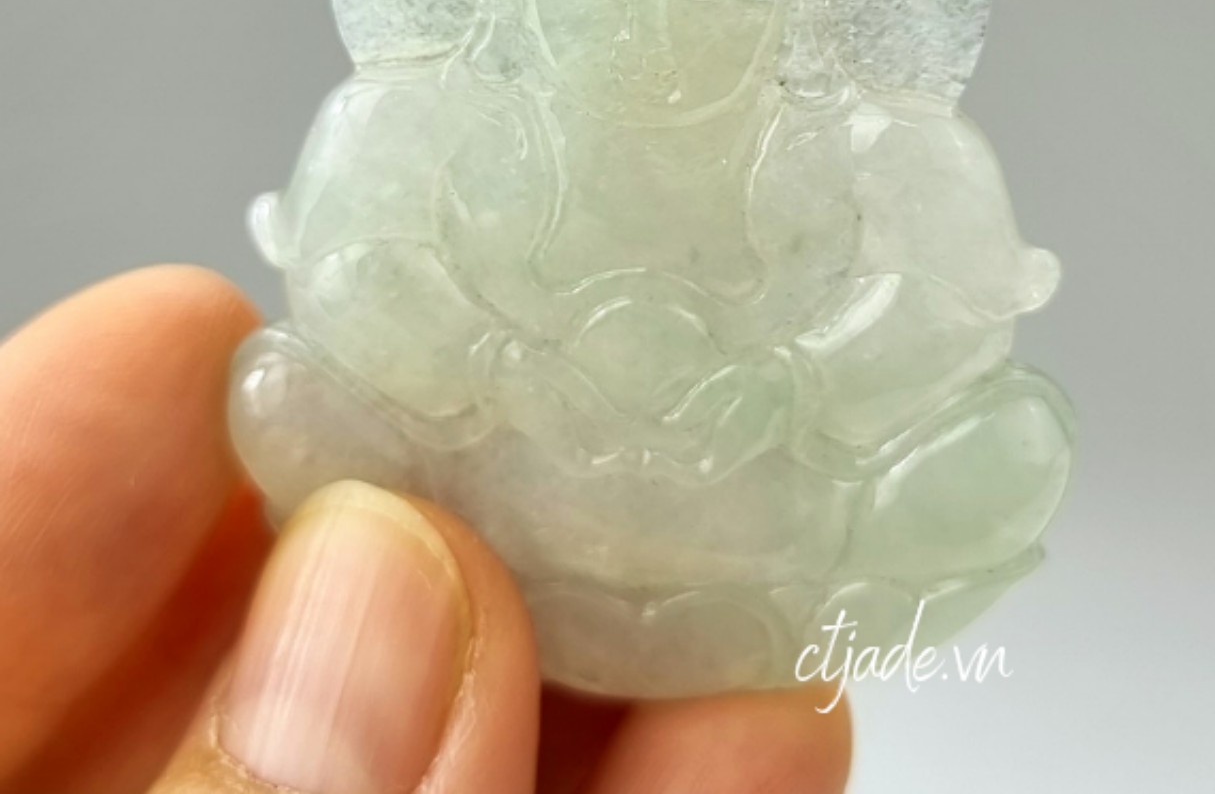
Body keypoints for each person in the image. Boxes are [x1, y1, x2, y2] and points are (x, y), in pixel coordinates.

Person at [0, 266, 851, 793]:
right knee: (284, 391)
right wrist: (506, 368)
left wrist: (780, 382)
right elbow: (364, 276)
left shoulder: (835, 142)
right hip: (485, 464)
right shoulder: (422, 114)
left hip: (711, 498)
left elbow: (904, 316)